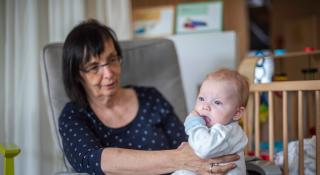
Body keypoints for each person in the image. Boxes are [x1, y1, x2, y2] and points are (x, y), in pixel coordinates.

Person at [59, 19, 239, 175]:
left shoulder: (150, 98)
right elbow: (95, 160)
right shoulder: (74, 115)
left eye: (112, 59)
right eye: (93, 67)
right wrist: (179, 160)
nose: (108, 73)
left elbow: (186, 145)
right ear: (77, 74)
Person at [173, 69, 249, 175]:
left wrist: (194, 125)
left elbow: (204, 149)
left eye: (217, 102)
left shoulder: (227, 132)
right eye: (202, 98)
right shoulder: (212, 129)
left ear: (237, 113)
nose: (206, 106)